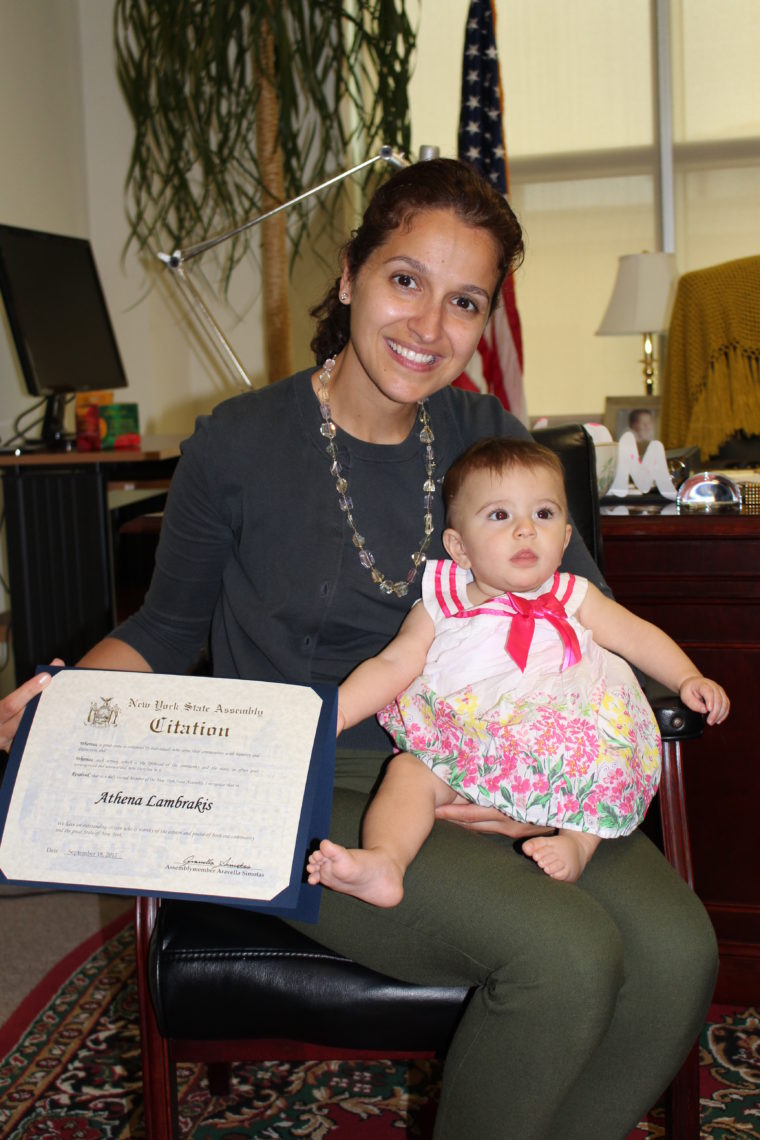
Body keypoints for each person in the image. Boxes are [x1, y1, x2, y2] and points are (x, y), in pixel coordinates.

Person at [0, 158, 719, 1139]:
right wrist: (66, 696)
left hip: (494, 758)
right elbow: (166, 630)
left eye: (463, 301)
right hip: (305, 778)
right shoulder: (239, 443)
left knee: (680, 953)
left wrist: (543, 758)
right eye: (405, 280)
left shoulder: (483, 437)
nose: (428, 327)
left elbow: (582, 614)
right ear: (349, 275)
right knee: (562, 954)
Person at [307, 437, 729, 900]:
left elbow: (639, 637)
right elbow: (393, 663)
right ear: (459, 547)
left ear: (565, 537)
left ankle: (578, 841)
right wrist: (336, 713)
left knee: (607, 755)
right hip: (472, 746)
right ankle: (386, 861)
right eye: (500, 515)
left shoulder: (573, 595)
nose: (526, 530)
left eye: (544, 515)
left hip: (566, 741)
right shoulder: (443, 604)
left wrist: (688, 677)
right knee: (409, 771)